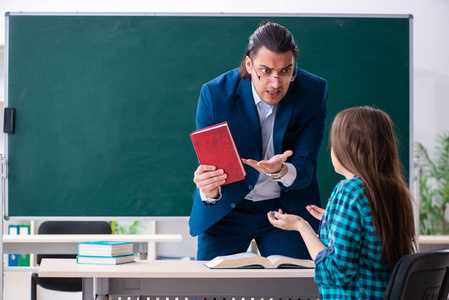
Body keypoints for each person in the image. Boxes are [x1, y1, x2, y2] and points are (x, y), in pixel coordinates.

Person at [189, 21, 328, 260]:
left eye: (286, 71)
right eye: (266, 71)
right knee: (209, 291)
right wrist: (209, 190)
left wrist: (282, 171)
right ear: (249, 64)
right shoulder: (215, 94)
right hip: (227, 209)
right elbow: (211, 168)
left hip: (286, 210)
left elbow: (307, 166)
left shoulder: (313, 91)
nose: (276, 83)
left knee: (295, 290)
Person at [268, 106, 416, 299]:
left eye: (334, 145)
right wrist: (332, 219)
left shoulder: (349, 191)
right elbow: (370, 236)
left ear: (349, 148)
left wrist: (300, 225)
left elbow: (335, 272)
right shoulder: (395, 190)